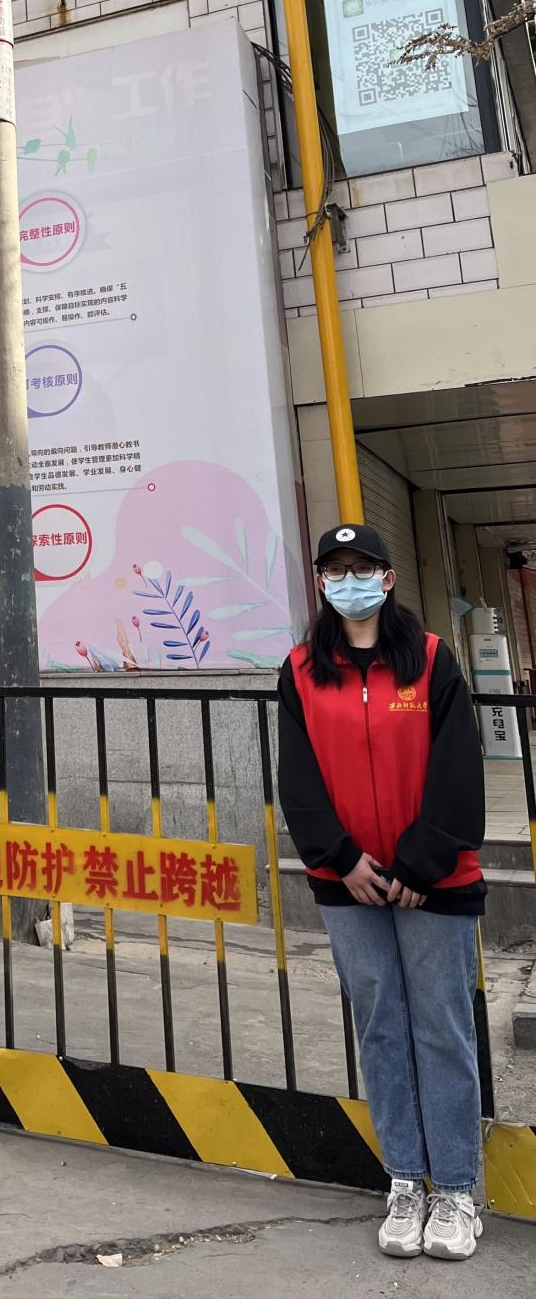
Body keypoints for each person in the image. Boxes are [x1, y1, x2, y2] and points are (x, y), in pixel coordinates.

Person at [278, 524, 486, 1262]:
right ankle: (404, 1179)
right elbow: (297, 776)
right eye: (334, 570)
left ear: (388, 578)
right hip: (349, 884)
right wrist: (340, 858)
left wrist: (419, 862)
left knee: (442, 1028)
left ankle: (455, 1189)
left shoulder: (429, 659)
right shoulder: (301, 669)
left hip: (433, 882)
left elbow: (458, 767)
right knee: (381, 1027)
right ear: (321, 583)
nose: (349, 581)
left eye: (361, 568)